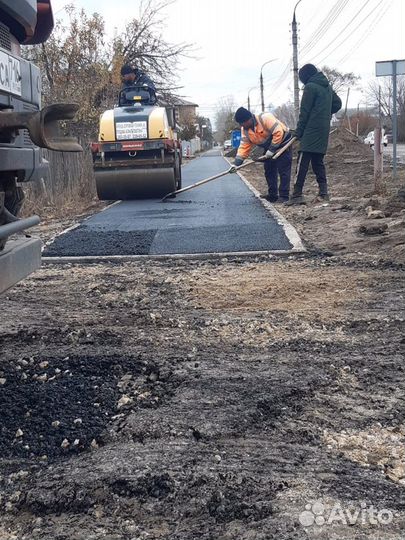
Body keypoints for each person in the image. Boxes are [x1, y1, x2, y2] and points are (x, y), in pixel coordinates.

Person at [286, 63, 342, 205]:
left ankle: (297, 195)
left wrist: (298, 132)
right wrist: (324, 112)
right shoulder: (326, 86)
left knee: (303, 160)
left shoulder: (310, 87)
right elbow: (337, 104)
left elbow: (304, 113)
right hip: (323, 129)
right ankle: (323, 193)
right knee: (318, 161)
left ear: (305, 77)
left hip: (311, 129)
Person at [233, 107, 293, 203]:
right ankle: (272, 195)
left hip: (283, 144)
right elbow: (244, 146)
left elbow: (278, 132)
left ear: (249, 119)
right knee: (269, 170)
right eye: (240, 123)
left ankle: (284, 196)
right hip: (269, 146)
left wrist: (272, 150)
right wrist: (236, 163)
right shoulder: (245, 130)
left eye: (242, 123)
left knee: (283, 170)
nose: (241, 125)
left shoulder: (265, 118)